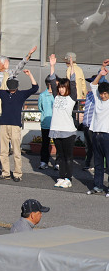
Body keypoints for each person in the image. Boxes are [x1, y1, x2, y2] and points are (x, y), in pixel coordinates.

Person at [0, 68, 39, 182]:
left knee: (16, 151)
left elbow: (35, 88)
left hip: (15, 126)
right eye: (11, 89)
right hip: (3, 125)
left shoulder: (21, 94)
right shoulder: (4, 93)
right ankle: (6, 173)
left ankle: (18, 174)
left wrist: (30, 74)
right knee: (3, 151)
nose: (12, 90)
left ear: (16, 87)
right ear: (9, 87)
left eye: (13, 89)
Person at [46, 54, 78, 188]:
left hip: (68, 131)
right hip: (56, 130)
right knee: (60, 156)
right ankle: (61, 177)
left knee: (68, 157)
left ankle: (68, 178)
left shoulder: (71, 98)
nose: (60, 89)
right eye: (60, 87)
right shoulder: (57, 97)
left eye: (63, 87)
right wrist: (52, 66)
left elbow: (73, 82)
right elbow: (53, 82)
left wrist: (71, 66)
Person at [86, 61, 109, 195]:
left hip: (107, 135)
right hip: (96, 134)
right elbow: (93, 85)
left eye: (105, 93)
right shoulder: (97, 99)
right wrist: (101, 72)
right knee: (98, 163)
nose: (103, 95)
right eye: (102, 93)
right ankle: (98, 186)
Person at [37, 76, 55, 170]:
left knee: (55, 144)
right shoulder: (43, 95)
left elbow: (40, 108)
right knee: (45, 144)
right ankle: (44, 161)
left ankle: (53, 162)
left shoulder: (57, 95)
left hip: (54, 123)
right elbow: (40, 108)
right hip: (47, 123)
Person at [81, 79, 96, 171]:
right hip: (86, 124)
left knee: (93, 145)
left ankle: (92, 164)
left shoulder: (98, 95)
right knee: (88, 145)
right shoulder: (89, 94)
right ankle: (88, 163)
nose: (91, 84)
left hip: (93, 124)